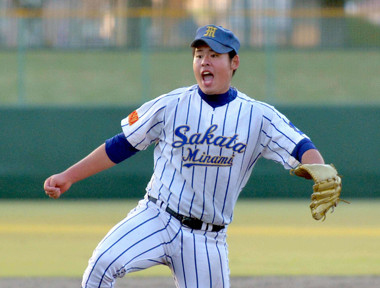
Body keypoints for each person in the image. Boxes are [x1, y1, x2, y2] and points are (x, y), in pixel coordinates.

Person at [44, 24, 325, 288]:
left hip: (207, 238)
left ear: (234, 62)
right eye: (199, 54)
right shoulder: (172, 105)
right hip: (157, 216)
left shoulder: (258, 116)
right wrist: (68, 176)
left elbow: (301, 147)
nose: (205, 61)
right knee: (101, 266)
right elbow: (121, 145)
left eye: (214, 55)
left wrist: (322, 174)